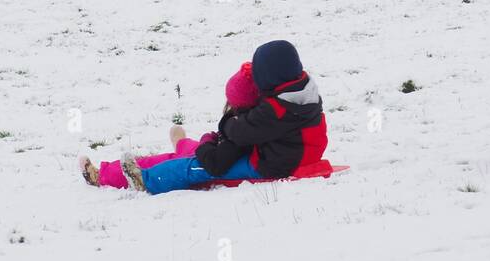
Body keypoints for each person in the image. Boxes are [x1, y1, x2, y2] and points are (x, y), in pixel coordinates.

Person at [121, 40, 328, 194]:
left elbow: (239, 132)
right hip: (291, 155)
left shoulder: (276, 110)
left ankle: (146, 181)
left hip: (273, 166)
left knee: (194, 167)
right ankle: (180, 148)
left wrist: (228, 122)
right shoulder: (304, 92)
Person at [79, 63, 258, 189]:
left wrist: (208, 138)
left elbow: (216, 160)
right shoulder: (253, 123)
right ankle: (181, 142)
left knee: (172, 162)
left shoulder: (243, 134)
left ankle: (104, 176)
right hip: (220, 153)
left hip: (217, 162)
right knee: (188, 151)